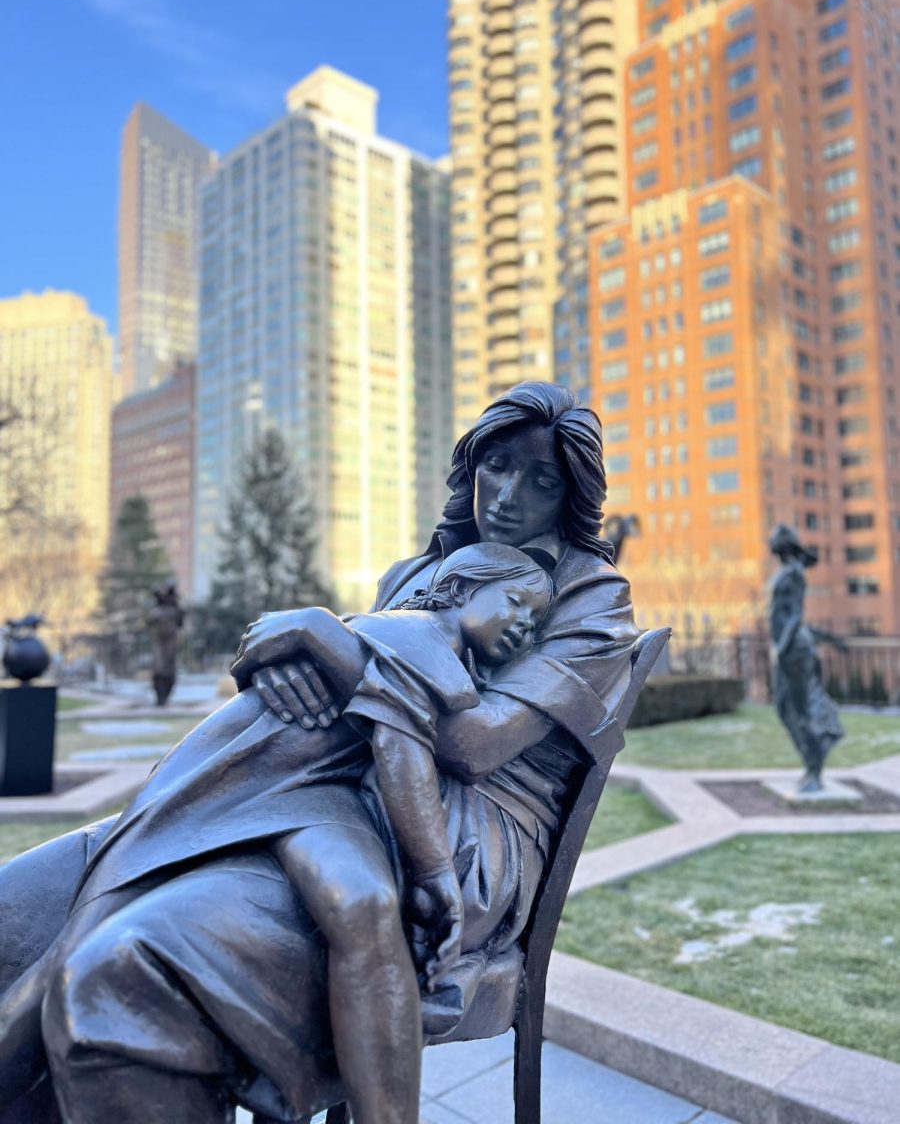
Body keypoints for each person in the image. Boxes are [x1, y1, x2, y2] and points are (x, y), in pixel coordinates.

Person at [0, 381, 638, 1124]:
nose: (509, 494)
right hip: (305, 783)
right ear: (470, 469)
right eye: (497, 465)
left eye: (543, 479)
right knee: (23, 904)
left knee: (117, 976)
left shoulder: (591, 595)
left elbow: (470, 742)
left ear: (572, 495)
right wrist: (295, 655)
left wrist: (318, 633)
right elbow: (343, 685)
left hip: (452, 827)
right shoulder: (416, 575)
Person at [768, 523, 844, 792]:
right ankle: (812, 760)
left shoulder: (795, 574)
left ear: (784, 545)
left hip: (794, 650)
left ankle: (815, 769)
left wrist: (782, 646)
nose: (771, 542)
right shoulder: (785, 572)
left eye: (775, 539)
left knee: (800, 710)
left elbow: (795, 616)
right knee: (783, 707)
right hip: (787, 648)